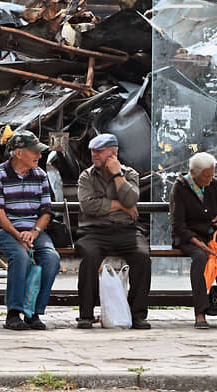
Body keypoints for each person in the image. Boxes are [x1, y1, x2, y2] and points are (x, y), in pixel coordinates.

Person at [0, 130, 61, 331]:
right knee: (20, 256)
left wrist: (34, 232)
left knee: (51, 258)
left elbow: (46, 212)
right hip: (6, 230)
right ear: (19, 153)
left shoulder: (40, 175)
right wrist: (17, 235)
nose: (39, 155)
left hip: (35, 231)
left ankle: (33, 312)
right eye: (34, 152)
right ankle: (13, 312)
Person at [75, 133, 151, 330]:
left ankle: (138, 315)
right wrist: (120, 205)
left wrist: (117, 175)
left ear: (113, 153)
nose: (94, 155)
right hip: (94, 231)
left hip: (126, 230)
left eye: (99, 151)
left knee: (142, 257)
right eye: (93, 151)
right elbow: (88, 206)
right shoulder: (86, 176)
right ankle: (85, 314)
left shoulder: (130, 174)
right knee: (90, 257)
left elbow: (131, 200)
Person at [169, 152, 217, 329]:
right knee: (200, 257)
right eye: (206, 176)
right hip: (189, 237)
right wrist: (198, 243)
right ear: (194, 173)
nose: (210, 180)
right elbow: (178, 225)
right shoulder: (180, 188)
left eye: (212, 175)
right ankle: (200, 312)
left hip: (213, 236)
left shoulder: (214, 185)